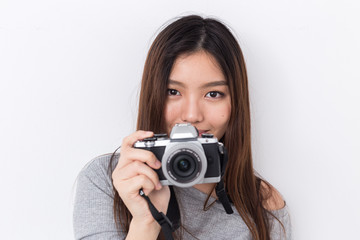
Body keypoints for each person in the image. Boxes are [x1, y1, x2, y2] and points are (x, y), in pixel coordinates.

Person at [73, 15, 292, 240]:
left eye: (213, 94)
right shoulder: (108, 180)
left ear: (235, 102)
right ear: (154, 95)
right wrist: (147, 222)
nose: (191, 115)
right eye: (173, 92)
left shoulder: (262, 204)